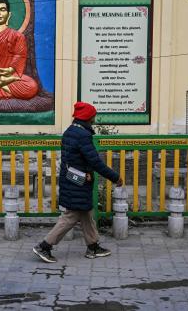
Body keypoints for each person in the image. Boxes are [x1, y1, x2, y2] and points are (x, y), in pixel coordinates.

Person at [33, 101, 124, 263]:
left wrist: (87, 172)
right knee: (70, 217)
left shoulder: (70, 131)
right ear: (88, 117)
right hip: (78, 183)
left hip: (73, 180)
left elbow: (75, 158)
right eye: (93, 116)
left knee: (86, 214)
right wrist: (115, 177)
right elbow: (95, 161)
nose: (95, 119)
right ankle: (44, 246)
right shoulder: (83, 135)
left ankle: (93, 246)